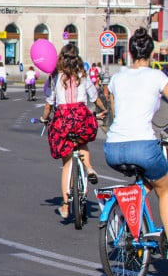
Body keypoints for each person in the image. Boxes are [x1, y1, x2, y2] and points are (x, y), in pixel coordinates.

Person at [104, 28, 168, 232]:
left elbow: (114, 111)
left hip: (112, 149)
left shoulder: (117, 78)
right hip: (143, 146)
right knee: (165, 187)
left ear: (129, 53)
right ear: (151, 53)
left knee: (147, 179)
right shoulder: (157, 76)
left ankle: (125, 210)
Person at [40, 43, 107, 217]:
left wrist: (44, 118)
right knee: (82, 141)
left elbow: (49, 104)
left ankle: (65, 205)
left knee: (67, 163)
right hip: (81, 116)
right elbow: (95, 97)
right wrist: (103, 109)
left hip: (63, 119)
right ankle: (90, 168)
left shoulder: (55, 77)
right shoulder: (82, 76)